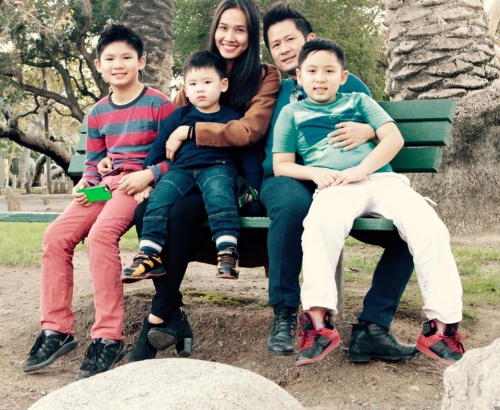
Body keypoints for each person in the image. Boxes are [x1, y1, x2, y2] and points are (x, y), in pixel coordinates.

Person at [273, 37, 466, 366]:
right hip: (336, 186)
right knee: (319, 227)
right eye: (312, 71)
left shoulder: (359, 101)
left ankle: (441, 329)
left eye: (329, 71)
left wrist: (362, 169)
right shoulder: (291, 113)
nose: (320, 78)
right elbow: (281, 165)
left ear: (342, 76)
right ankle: (318, 324)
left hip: (382, 181)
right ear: (299, 77)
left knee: (431, 229)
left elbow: (393, 137)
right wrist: (315, 172)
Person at [107, 0, 280, 362]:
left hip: (227, 175)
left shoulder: (264, 76)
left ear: (252, 35)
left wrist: (190, 131)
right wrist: (144, 170)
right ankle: (172, 314)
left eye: (240, 29)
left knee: (181, 215)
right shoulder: (197, 72)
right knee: (146, 213)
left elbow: (248, 132)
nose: (229, 36)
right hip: (189, 172)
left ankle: (159, 315)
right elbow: (168, 133)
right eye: (223, 27)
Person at [260, 2, 419, 362]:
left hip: (343, 183)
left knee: (408, 234)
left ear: (310, 38)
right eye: (275, 44)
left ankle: (373, 328)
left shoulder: (347, 82)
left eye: (290, 39)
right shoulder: (274, 90)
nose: (283, 48)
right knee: (293, 205)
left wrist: (368, 131)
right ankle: (286, 314)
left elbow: (377, 124)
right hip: (289, 177)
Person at [21, 24, 175, 379]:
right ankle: (56, 329)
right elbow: (93, 162)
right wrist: (86, 182)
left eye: (126, 57)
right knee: (55, 236)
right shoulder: (97, 112)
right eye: (110, 58)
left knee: (102, 236)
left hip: (133, 187)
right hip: (105, 186)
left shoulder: (159, 104)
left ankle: (108, 336)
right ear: (99, 64)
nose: (118, 64)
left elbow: (177, 158)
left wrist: (151, 174)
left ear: (141, 61)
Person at [121, 50, 261, 283]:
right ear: (185, 89)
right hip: (181, 170)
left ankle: (227, 251)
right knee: (159, 199)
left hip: (218, 167)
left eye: (207, 82)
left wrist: (253, 186)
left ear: (223, 85)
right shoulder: (179, 116)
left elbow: (247, 153)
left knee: (219, 193)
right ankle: (149, 254)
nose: (200, 89)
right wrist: (147, 179)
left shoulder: (232, 117)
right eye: (193, 84)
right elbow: (157, 149)